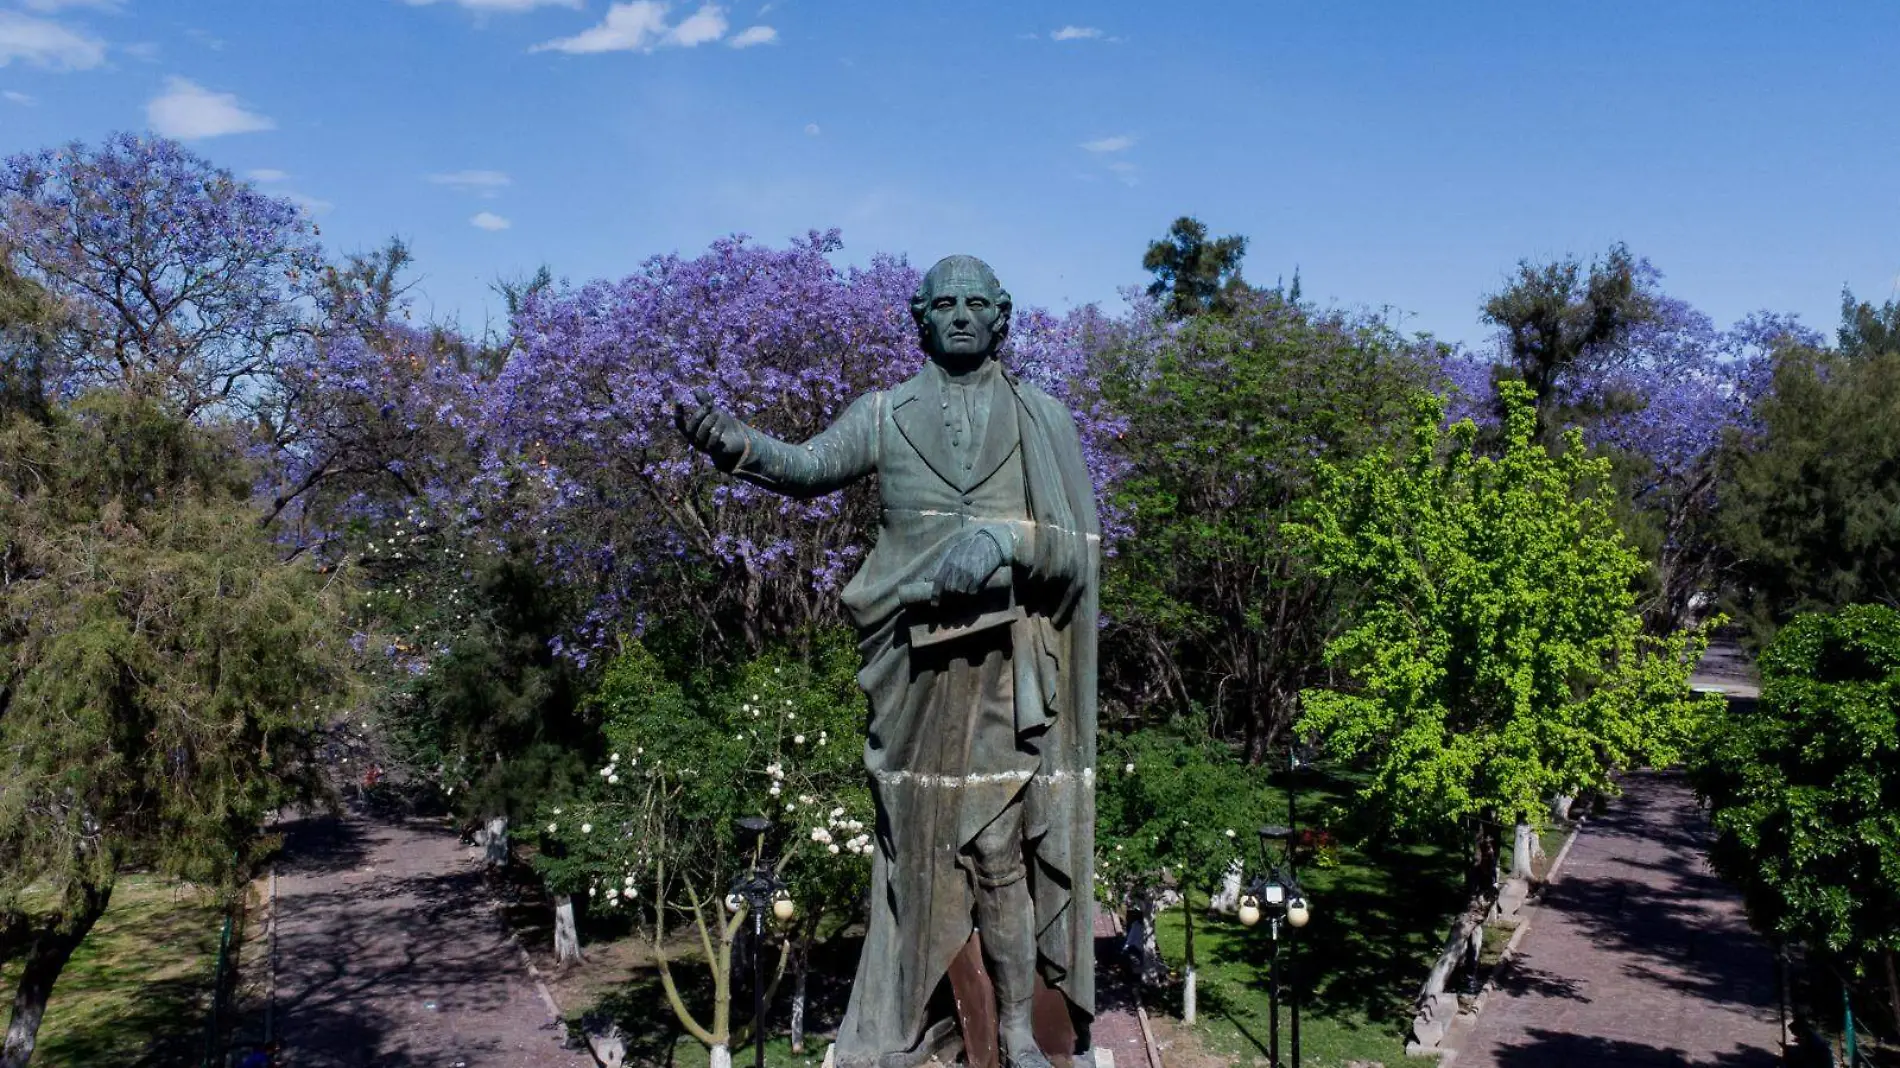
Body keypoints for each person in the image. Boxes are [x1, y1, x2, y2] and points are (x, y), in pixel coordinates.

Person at [676, 255, 1099, 1068]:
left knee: (998, 850)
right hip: (911, 670)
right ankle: (905, 1025)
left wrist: (1003, 540)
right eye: (946, 303)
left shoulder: (1043, 420)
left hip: (1008, 672)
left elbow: (1079, 552)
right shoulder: (884, 415)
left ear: (1003, 318)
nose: (964, 315)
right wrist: (735, 446)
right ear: (921, 319)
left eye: (979, 303)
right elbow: (805, 468)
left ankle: (1015, 1027)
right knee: (914, 855)